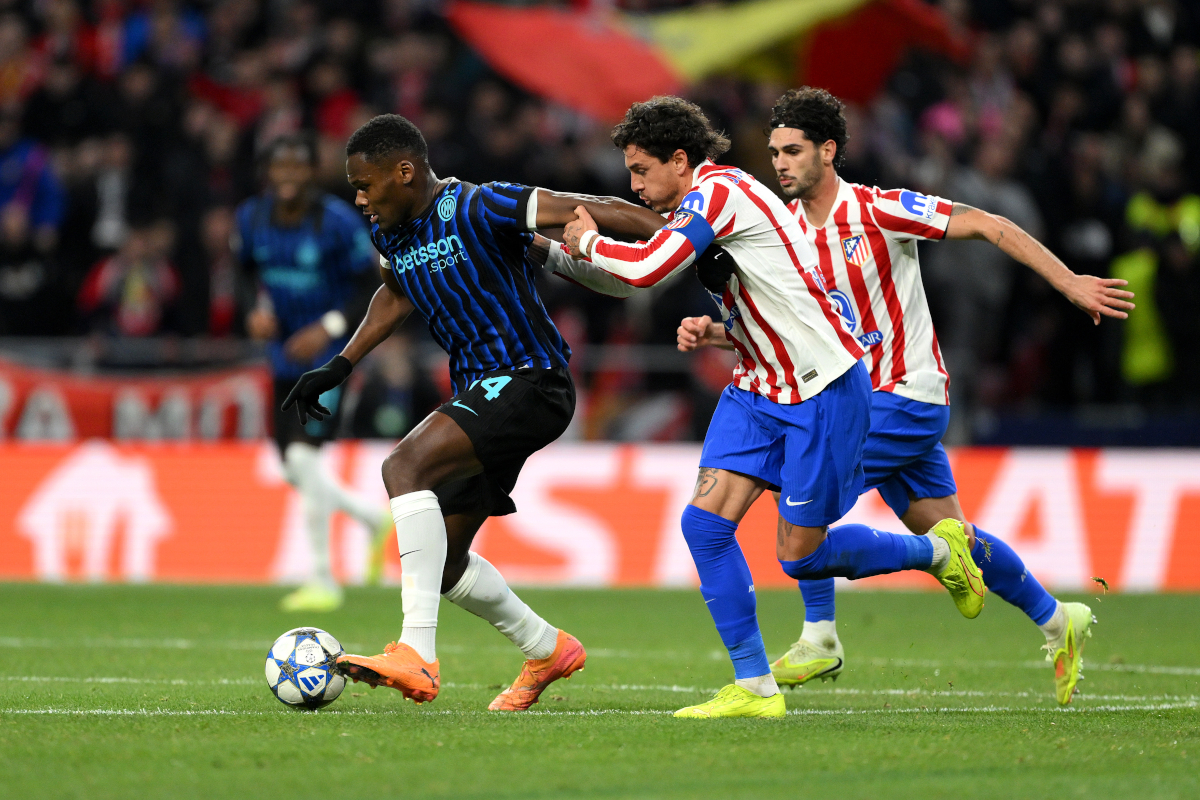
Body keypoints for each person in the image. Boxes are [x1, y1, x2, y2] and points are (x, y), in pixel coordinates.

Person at [676, 87, 1134, 705]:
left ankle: (820, 637)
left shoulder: (877, 210)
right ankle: (1059, 620)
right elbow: (796, 336)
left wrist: (1069, 282)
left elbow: (989, 225)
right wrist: (721, 334)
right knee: (953, 536)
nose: (779, 163)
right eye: (774, 151)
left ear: (828, 151)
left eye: (793, 150)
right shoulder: (779, 234)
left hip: (903, 394)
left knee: (796, 490)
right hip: (854, 397)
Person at [555, 96, 987, 720]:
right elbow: (746, 290)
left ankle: (940, 552)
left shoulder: (721, 191)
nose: (634, 185)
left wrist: (590, 241)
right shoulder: (698, 208)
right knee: (704, 526)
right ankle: (755, 686)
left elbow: (649, 271)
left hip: (822, 388)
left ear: (681, 161)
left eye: (642, 170)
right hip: (760, 385)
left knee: (800, 554)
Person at [282, 113, 666, 710]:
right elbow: (396, 290)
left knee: (403, 468)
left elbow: (585, 207)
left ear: (404, 172)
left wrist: (675, 235)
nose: (358, 198)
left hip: (530, 379)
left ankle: (416, 655)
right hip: (483, 389)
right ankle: (547, 648)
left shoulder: (482, 206)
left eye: (365, 184)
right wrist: (342, 363)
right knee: (442, 563)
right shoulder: (393, 234)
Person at [237, 133, 391, 613]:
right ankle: (370, 517)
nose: (287, 177)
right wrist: (253, 309)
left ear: (310, 173)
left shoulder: (338, 222)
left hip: (330, 358)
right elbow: (242, 272)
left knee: (304, 461)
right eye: (279, 168)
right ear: (269, 172)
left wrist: (327, 327)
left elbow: (372, 280)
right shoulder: (251, 218)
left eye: (296, 168)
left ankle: (323, 579)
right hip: (282, 355)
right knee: (291, 468)